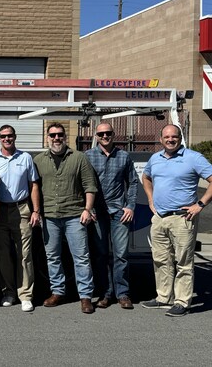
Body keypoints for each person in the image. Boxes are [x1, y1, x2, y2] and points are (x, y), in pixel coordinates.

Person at [141, 124, 212, 317]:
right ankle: (164, 298)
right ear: (161, 139)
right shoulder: (155, 158)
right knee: (161, 260)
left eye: (174, 136)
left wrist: (200, 204)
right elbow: (145, 177)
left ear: (180, 138)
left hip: (183, 218)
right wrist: (150, 198)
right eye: (166, 137)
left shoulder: (193, 158)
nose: (170, 139)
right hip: (159, 218)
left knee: (183, 262)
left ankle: (182, 302)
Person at [33, 123, 98, 314]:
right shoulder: (38, 160)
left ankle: (85, 296)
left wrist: (87, 209)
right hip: (50, 216)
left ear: (65, 136)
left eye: (60, 135)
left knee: (81, 257)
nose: (56, 138)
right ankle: (57, 292)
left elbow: (90, 186)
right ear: (47, 137)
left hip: (74, 216)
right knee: (52, 257)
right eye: (52, 135)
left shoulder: (79, 158)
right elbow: (34, 187)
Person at [85, 123, 139, 310]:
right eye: (101, 133)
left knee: (121, 255)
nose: (105, 136)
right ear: (96, 136)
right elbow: (82, 184)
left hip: (119, 213)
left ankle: (123, 294)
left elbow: (132, 183)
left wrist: (130, 206)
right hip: (97, 214)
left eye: (108, 133)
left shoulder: (123, 156)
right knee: (100, 255)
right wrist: (88, 209)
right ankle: (105, 293)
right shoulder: (88, 156)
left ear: (114, 134)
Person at [0, 125, 40, 312]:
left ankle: (25, 295)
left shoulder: (25, 157)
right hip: (0, 211)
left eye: (10, 136)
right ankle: (8, 292)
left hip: (22, 208)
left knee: (24, 254)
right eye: (3, 136)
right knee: (4, 255)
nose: (7, 139)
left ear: (15, 137)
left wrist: (36, 210)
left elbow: (33, 184)